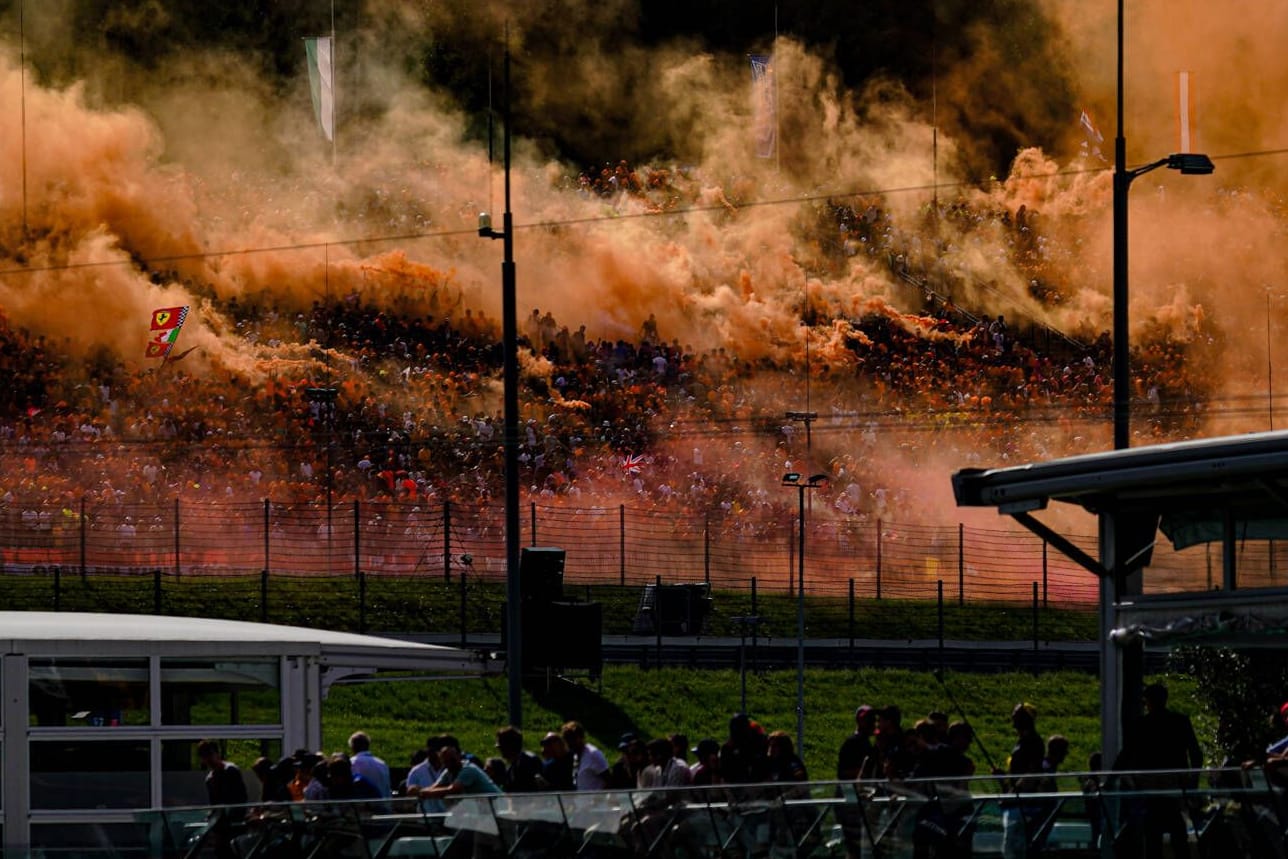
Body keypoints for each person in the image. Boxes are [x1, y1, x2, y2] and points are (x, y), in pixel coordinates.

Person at [1118, 683, 1203, 859]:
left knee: (1153, 833)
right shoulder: (1180, 721)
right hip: (1173, 785)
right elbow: (1196, 753)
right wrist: (1192, 781)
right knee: (1176, 829)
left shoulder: (1142, 724)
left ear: (1148, 701)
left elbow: (1126, 753)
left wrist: (1111, 778)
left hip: (1152, 787)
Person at [197, 739, 249, 859]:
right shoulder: (210, 779)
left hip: (234, 824)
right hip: (221, 826)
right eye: (204, 756)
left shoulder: (231, 771)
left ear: (217, 753)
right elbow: (214, 804)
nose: (208, 759)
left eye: (210, 755)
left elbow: (241, 798)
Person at [562, 720, 610, 791]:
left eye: (572, 739)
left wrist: (598, 799)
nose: (569, 744)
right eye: (567, 740)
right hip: (582, 801)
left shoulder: (593, 754)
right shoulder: (575, 756)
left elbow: (609, 781)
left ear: (581, 737)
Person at [495, 725, 546, 792]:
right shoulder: (511, 767)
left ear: (509, 746)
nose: (500, 751)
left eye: (501, 747)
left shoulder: (529, 761)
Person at [405, 735, 447, 813]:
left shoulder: (449, 768)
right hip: (427, 817)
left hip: (448, 816)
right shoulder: (416, 771)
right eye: (432, 750)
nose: (435, 754)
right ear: (427, 750)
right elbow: (410, 797)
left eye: (437, 750)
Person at [837, 704, 878, 780]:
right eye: (869, 720)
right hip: (850, 789)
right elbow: (843, 772)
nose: (873, 724)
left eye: (874, 720)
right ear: (860, 721)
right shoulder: (851, 743)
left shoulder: (866, 742)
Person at [348, 730, 392, 799]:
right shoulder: (382, 764)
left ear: (352, 747)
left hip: (362, 807)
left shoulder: (351, 763)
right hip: (383, 805)